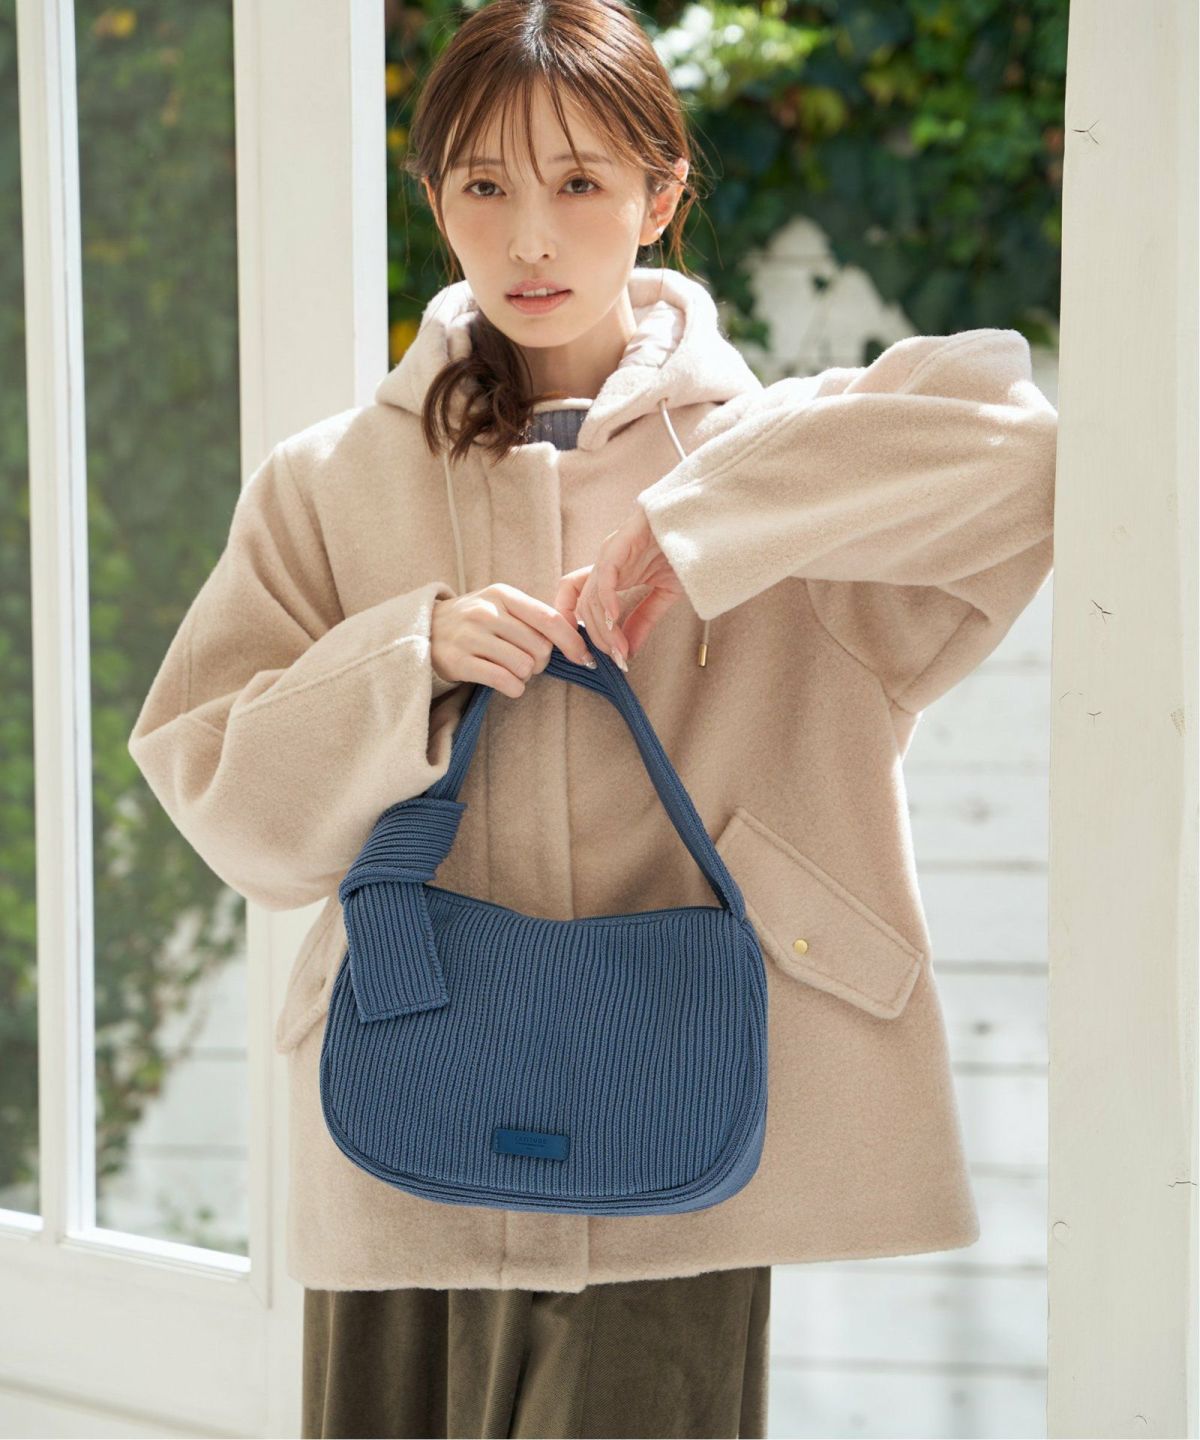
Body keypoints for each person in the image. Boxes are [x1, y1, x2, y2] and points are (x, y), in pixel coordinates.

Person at [127, 0, 1059, 1434]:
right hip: (402, 1107)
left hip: (687, 1112)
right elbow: (220, 791)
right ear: (433, 199)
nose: (531, 239)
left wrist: (696, 527)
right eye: (484, 186)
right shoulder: (326, 484)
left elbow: (1030, 459)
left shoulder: (782, 465)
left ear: (660, 196)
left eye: (579, 182)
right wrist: (409, 658)